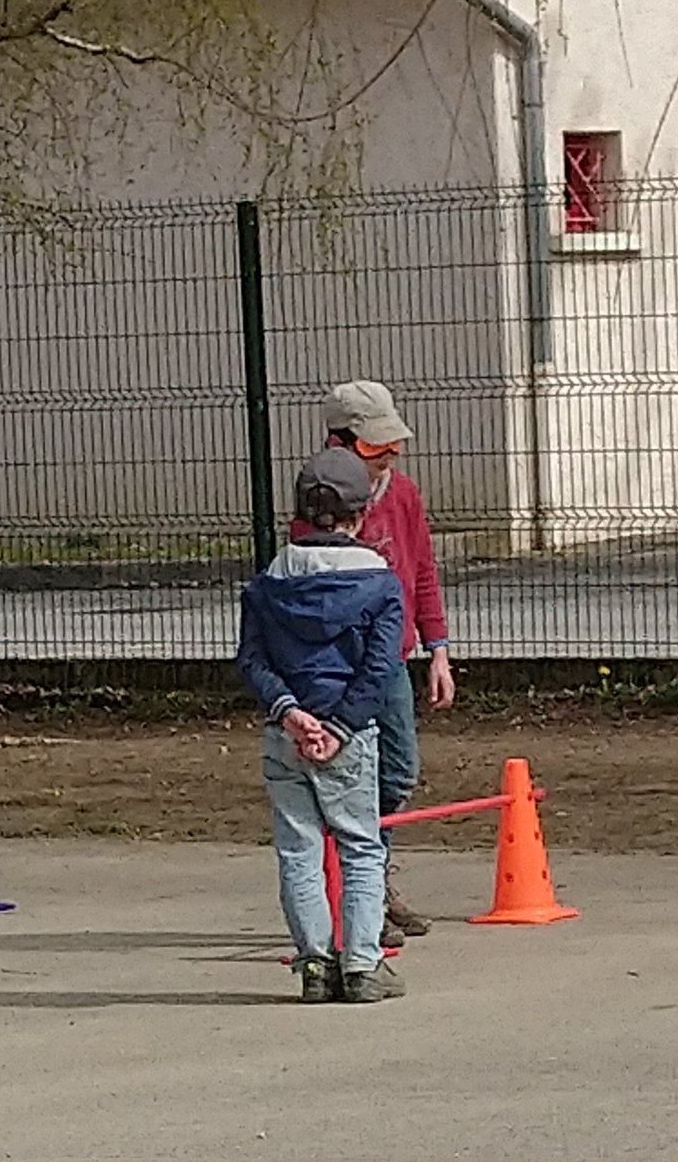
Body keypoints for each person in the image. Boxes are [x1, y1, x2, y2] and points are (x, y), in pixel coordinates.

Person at [237, 447, 406, 1004]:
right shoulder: (379, 584)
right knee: (360, 846)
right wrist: (338, 724)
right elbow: (380, 667)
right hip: (350, 734)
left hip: (284, 732)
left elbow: (254, 662)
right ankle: (362, 964)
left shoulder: (269, 581)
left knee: (298, 850)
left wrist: (290, 712)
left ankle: (314, 965)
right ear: (362, 514)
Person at [290, 380, 455, 948]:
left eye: (391, 442)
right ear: (338, 442)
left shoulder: (403, 495)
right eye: (373, 445)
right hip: (337, 670)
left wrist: (437, 648)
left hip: (391, 663)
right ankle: (360, 892)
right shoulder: (318, 510)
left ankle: (374, 872)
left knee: (399, 770)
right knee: (347, 778)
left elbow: (423, 571)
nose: (389, 454)